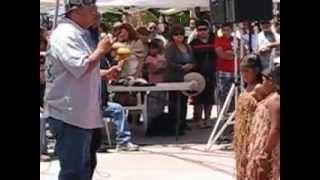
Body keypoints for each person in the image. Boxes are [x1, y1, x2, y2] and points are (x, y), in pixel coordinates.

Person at [44, 1, 119, 179]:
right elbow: (81, 65)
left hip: (83, 114)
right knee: (74, 172)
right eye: (91, 9)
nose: (96, 13)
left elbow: (73, 70)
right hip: (70, 115)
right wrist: (101, 51)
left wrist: (103, 73)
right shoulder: (65, 35)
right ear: (75, 11)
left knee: (85, 168)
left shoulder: (80, 33)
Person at [246, 64, 280, 180]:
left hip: (273, 148)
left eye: (264, 80)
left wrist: (266, 152)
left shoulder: (274, 101)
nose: (261, 83)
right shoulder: (271, 97)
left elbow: (275, 128)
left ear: (272, 82)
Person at [233, 54, 264, 180]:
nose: (244, 75)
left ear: (256, 71)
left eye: (247, 71)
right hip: (243, 132)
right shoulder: (247, 86)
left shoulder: (259, 88)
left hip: (253, 132)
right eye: (242, 72)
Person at [165, 24, 195, 134]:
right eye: (176, 34)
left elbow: (193, 59)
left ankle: (183, 122)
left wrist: (191, 65)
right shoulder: (170, 47)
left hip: (186, 77)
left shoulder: (187, 46)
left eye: (181, 34)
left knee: (184, 100)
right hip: (174, 76)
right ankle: (174, 123)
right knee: (174, 101)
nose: (179, 37)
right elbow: (168, 62)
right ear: (172, 36)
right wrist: (181, 67)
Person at [189, 20, 217, 129]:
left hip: (212, 72)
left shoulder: (214, 40)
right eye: (199, 30)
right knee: (198, 98)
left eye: (204, 29)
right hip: (198, 73)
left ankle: (208, 119)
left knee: (209, 98)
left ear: (208, 29)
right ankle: (199, 120)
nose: (202, 32)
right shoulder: (193, 43)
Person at [214, 22, 239, 112]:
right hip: (223, 71)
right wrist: (232, 54)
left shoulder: (237, 40)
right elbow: (221, 54)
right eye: (223, 30)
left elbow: (241, 53)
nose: (225, 32)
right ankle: (223, 113)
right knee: (223, 94)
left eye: (227, 30)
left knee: (236, 94)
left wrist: (230, 53)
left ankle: (233, 113)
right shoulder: (219, 40)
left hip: (235, 70)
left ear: (231, 30)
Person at [144, 39, 167, 124]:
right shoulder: (149, 58)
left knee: (162, 103)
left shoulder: (163, 56)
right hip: (154, 83)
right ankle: (151, 121)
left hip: (163, 82)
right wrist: (162, 68)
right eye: (151, 48)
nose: (153, 50)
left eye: (155, 48)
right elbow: (153, 70)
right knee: (153, 103)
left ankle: (159, 120)